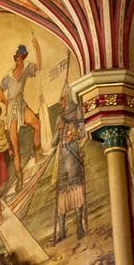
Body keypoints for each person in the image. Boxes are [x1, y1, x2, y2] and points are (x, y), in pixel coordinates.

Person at [51, 85, 87, 243]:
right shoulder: (59, 118)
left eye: (62, 99)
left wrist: (73, 136)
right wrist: (58, 131)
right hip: (61, 159)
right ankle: (62, 230)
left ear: (68, 97)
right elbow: (53, 142)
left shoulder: (77, 110)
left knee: (76, 189)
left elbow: (83, 132)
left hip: (73, 155)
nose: (61, 103)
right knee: (61, 193)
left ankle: (79, 226)